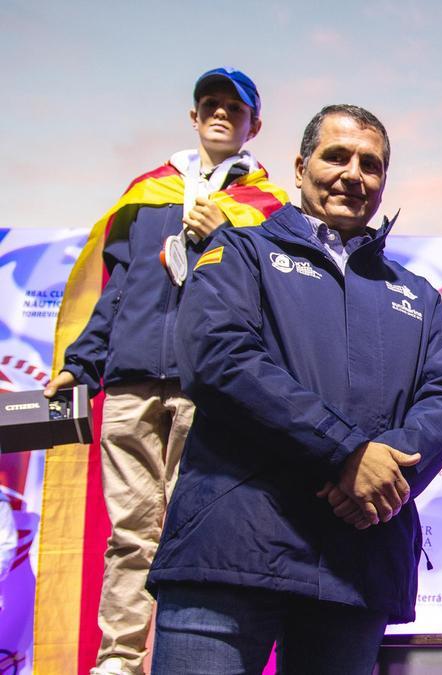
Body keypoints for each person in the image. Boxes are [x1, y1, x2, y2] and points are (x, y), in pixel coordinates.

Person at [146, 105, 442, 673]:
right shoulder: (241, 254)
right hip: (231, 552)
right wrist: (347, 454)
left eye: (371, 165)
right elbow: (219, 360)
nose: (353, 174)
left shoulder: (417, 294)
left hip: (357, 562)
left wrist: (383, 483)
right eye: (336, 156)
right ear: (299, 167)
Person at [43, 67, 286, 675]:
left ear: (256, 123)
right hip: (128, 385)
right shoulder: (144, 194)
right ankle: (118, 662)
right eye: (211, 103)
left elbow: (277, 302)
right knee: (128, 534)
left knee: (189, 532)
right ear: (194, 114)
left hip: (209, 388)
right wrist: (80, 364)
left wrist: (228, 237)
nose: (222, 114)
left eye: (236, 107)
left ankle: (178, 661)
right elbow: (117, 290)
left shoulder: (269, 210)